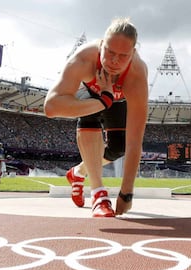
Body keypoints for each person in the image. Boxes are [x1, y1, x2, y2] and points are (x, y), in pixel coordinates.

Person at [44, 18, 148, 217]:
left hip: (118, 100)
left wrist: (126, 193)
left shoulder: (136, 74)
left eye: (123, 56)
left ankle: (79, 172)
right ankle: (99, 194)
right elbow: (51, 107)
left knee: (119, 148)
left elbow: (135, 142)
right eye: (109, 52)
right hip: (92, 94)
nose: (114, 61)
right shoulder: (83, 59)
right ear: (102, 45)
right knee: (89, 114)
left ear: (133, 54)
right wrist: (103, 100)